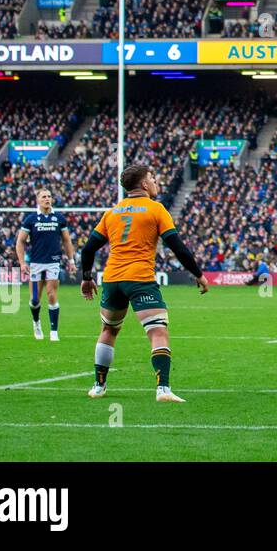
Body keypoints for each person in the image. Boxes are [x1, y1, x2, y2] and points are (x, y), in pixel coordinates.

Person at [81, 165, 208, 403]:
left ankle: (99, 386)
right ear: (144, 185)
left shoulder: (113, 212)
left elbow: (88, 249)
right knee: (158, 331)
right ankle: (163, 390)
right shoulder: (156, 209)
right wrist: (198, 273)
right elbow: (177, 246)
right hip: (140, 279)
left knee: (108, 330)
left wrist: (87, 278)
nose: (156, 181)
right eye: (152, 178)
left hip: (112, 279)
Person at [15, 188, 75, 342]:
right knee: (35, 299)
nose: (47, 199)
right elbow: (20, 241)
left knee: (51, 294)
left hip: (53, 262)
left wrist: (71, 260)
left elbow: (67, 241)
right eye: (44, 197)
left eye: (49, 196)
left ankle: (54, 331)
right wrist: (22, 262)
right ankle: (36, 323)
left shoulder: (59, 218)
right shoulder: (31, 219)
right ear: (38, 200)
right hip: (35, 263)